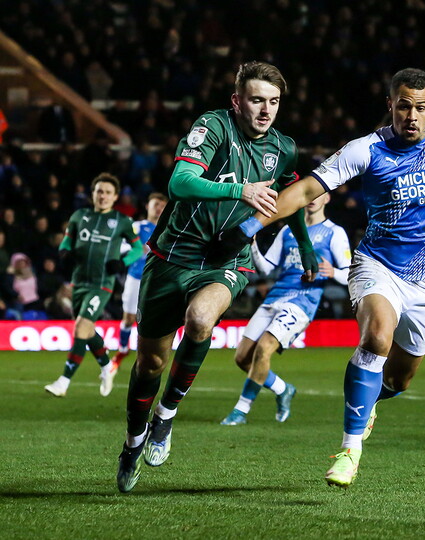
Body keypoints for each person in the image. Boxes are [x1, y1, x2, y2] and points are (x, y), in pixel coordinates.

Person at [211, 68, 425, 487]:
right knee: (377, 336)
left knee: (400, 378)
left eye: (420, 108)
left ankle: (369, 403)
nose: (412, 115)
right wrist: (251, 225)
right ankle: (350, 450)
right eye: (403, 105)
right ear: (390, 105)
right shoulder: (365, 149)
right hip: (377, 265)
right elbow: (305, 190)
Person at [116, 61, 318, 493]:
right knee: (151, 362)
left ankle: (166, 416)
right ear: (237, 101)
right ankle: (133, 441)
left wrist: (304, 245)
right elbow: (180, 182)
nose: (266, 110)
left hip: (227, 259)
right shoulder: (212, 127)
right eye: (257, 100)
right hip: (172, 255)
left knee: (201, 320)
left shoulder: (283, 148)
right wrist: (239, 190)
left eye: (274, 102)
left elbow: (291, 198)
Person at [221, 192, 350, 426]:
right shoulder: (288, 229)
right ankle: (283, 389)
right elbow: (266, 267)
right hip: (275, 296)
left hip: (303, 301)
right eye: (309, 194)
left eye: (319, 194)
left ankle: (241, 410)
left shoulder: (335, 232)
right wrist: (253, 246)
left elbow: (350, 273)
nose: (312, 198)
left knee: (264, 349)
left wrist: (335, 272)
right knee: (242, 358)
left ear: (327, 199)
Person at [44, 173, 142, 397]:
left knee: (81, 327)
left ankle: (63, 382)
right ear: (93, 193)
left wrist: (122, 263)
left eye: (108, 192)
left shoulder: (122, 222)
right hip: (79, 282)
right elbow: (68, 240)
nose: (103, 196)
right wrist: (64, 251)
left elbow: (137, 249)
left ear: (115, 196)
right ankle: (107, 367)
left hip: (102, 284)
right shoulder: (80, 216)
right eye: (99, 191)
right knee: (86, 331)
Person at [101, 192, 168, 396]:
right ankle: (121, 352)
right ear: (147, 206)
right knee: (129, 319)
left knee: (153, 322)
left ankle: (150, 358)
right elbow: (120, 246)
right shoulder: (137, 227)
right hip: (136, 278)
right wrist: (134, 250)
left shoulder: (169, 228)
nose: (158, 208)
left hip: (158, 280)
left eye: (162, 205)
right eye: (155, 204)